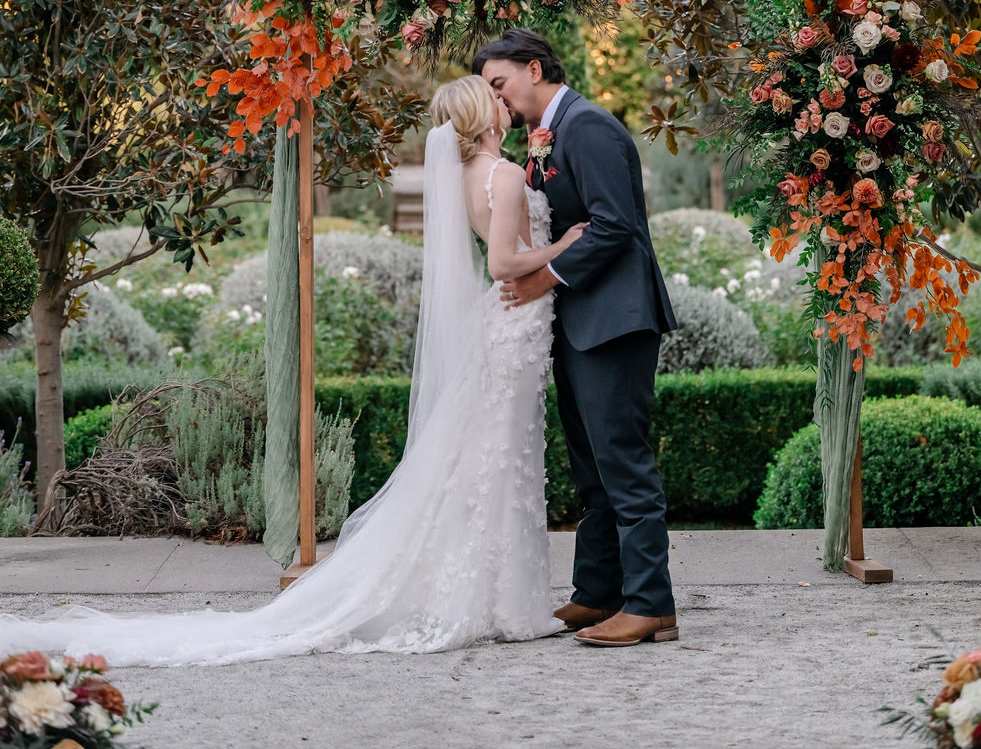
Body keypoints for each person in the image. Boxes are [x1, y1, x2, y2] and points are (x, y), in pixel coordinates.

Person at [0, 76, 586, 665]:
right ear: (482, 114)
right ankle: (498, 602)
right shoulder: (501, 173)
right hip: (514, 322)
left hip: (511, 326)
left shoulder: (468, 174)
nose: (505, 103)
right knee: (499, 456)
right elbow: (504, 263)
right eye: (496, 98)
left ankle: (495, 598)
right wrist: (566, 247)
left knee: (494, 457)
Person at [473, 27, 679, 647]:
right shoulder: (550, 133)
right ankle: (598, 592)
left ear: (534, 69)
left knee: (622, 462)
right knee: (591, 467)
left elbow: (615, 225)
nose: (496, 99)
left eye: (499, 83)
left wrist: (545, 277)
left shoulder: (588, 127)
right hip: (578, 320)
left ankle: (651, 606)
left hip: (614, 318)